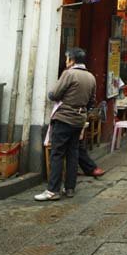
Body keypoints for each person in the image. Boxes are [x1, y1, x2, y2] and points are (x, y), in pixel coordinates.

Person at [35, 47, 96, 201]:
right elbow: (91, 102)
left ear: (72, 60)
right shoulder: (90, 77)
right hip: (79, 119)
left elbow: (55, 94)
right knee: (73, 153)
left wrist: (51, 94)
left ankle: (53, 190)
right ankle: (70, 188)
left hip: (64, 118)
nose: (66, 61)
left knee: (57, 154)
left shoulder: (69, 74)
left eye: (67, 58)